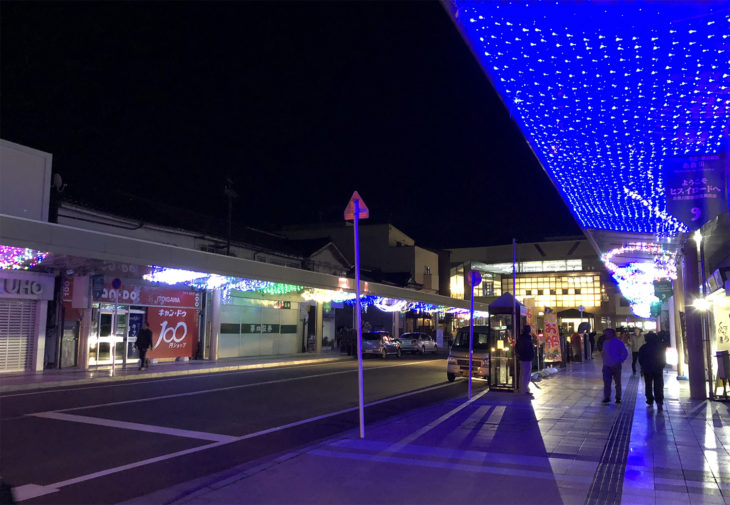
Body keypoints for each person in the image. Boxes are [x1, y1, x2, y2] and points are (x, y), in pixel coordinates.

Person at [638, 332, 666, 412]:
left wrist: (643, 366)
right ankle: (659, 401)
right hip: (658, 369)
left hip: (647, 369)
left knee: (648, 385)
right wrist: (662, 366)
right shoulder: (660, 347)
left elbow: (640, 359)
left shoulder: (643, 347)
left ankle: (650, 400)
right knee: (659, 385)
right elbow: (663, 358)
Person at [601, 328, 628, 404]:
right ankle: (607, 397)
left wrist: (619, 360)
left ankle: (618, 397)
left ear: (612, 334)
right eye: (605, 333)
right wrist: (604, 358)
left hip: (616, 365)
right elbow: (604, 352)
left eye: (608, 333)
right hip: (606, 365)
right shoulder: (605, 342)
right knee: (607, 382)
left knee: (617, 382)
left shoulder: (618, 342)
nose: (606, 335)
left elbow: (625, 353)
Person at [516, 325, 535, 396]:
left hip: (521, 358)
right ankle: (525, 389)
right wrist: (532, 355)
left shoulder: (520, 338)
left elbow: (517, 347)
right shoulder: (528, 338)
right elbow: (529, 349)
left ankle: (521, 389)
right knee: (527, 374)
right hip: (527, 358)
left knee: (522, 374)